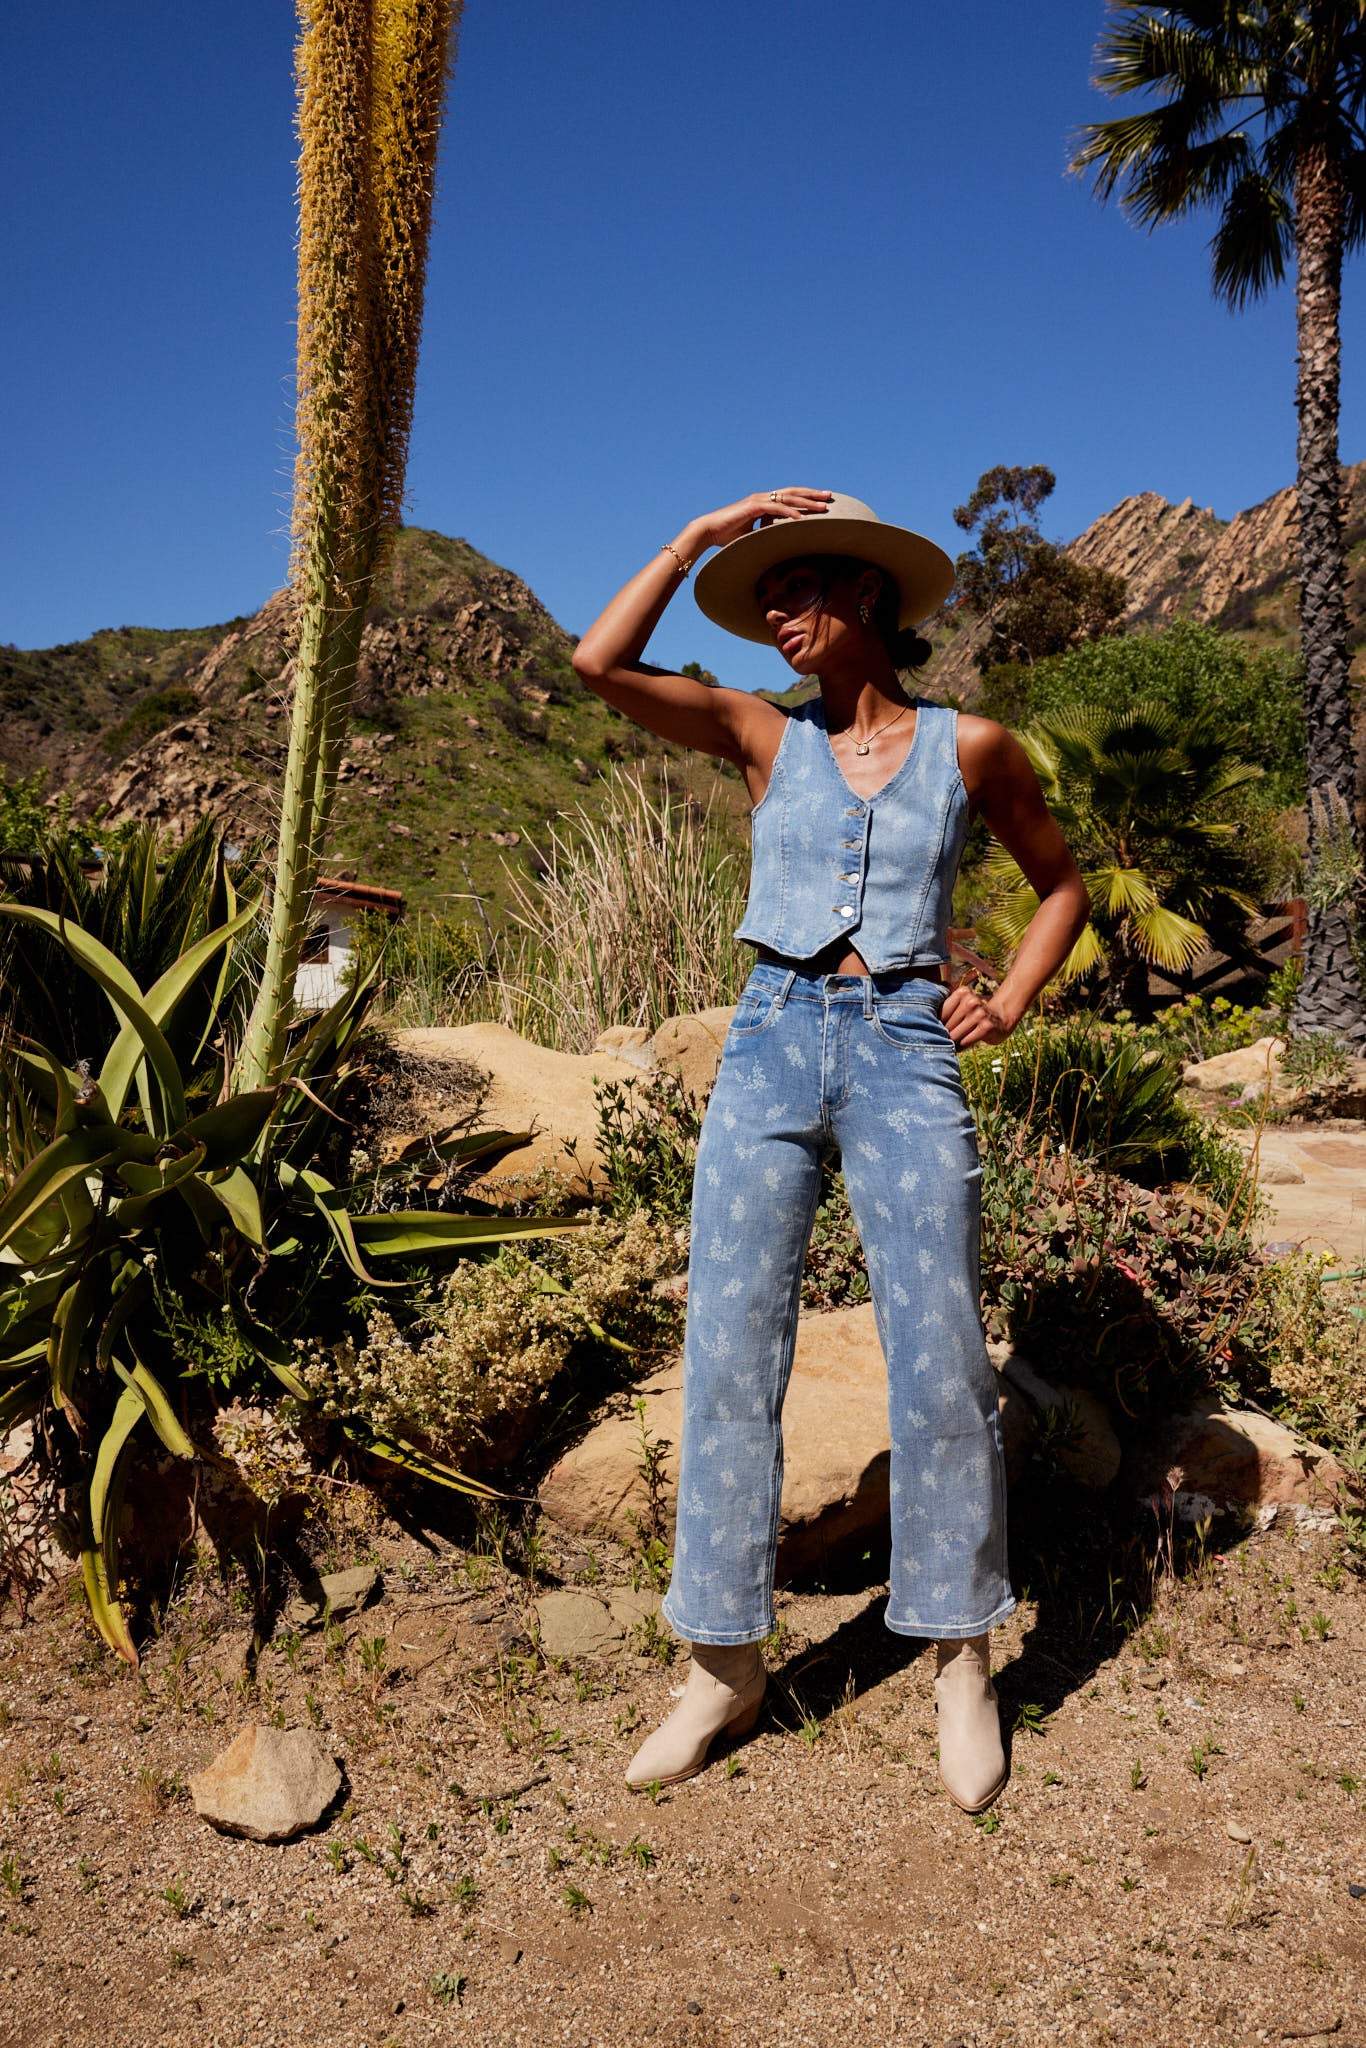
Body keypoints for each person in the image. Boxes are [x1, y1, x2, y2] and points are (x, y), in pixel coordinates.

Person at [571, 489, 1091, 1813]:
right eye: (762, 601)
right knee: (731, 1346)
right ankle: (720, 1666)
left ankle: (960, 1658)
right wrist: (700, 536)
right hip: (767, 1042)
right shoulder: (760, 734)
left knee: (941, 1354)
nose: (775, 617)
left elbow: (1063, 887)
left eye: (794, 590)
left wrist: (1006, 998)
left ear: (866, 595)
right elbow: (598, 664)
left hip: (907, 1046)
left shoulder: (971, 746)